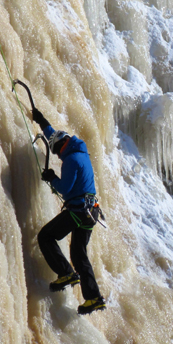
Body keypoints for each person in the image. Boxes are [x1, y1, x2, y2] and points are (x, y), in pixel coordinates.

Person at [31, 107, 106, 315]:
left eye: (55, 151)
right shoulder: (80, 153)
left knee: (46, 236)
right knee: (79, 255)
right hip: (91, 213)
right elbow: (53, 134)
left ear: (62, 146)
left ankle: (66, 273)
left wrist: (52, 177)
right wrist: (42, 120)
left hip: (78, 211)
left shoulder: (71, 160)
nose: (57, 154)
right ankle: (93, 298)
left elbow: (65, 190)